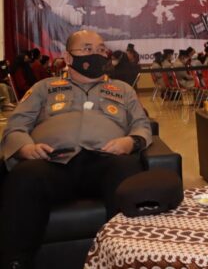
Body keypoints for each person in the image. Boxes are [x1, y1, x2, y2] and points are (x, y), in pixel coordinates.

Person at [0, 30, 152, 268]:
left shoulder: (123, 89)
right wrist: (26, 148)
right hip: (52, 162)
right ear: (68, 57)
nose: (96, 54)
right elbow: (15, 126)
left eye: (101, 49)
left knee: (127, 169)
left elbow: (142, 125)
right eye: (87, 49)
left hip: (106, 161)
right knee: (25, 175)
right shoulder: (43, 87)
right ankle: (14, 262)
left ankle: (128, 259)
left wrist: (130, 142)